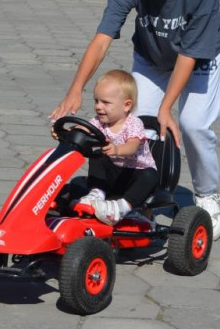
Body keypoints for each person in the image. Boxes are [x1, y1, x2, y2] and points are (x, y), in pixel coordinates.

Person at [50, 0, 220, 239]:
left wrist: (167, 107)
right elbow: (103, 37)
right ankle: (136, 197)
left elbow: (187, 56)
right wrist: (75, 90)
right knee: (133, 123)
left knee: (193, 124)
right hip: (152, 55)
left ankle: (206, 194)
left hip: (198, 55)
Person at [52, 70, 158, 225]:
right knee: (98, 155)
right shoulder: (97, 122)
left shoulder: (134, 123)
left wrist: (117, 150)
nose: (99, 107)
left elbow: (132, 146)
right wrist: (64, 133)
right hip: (112, 175)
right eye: (96, 101)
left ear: (126, 105)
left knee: (151, 175)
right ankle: (96, 194)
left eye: (105, 103)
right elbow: (82, 130)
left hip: (134, 175)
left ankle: (120, 208)